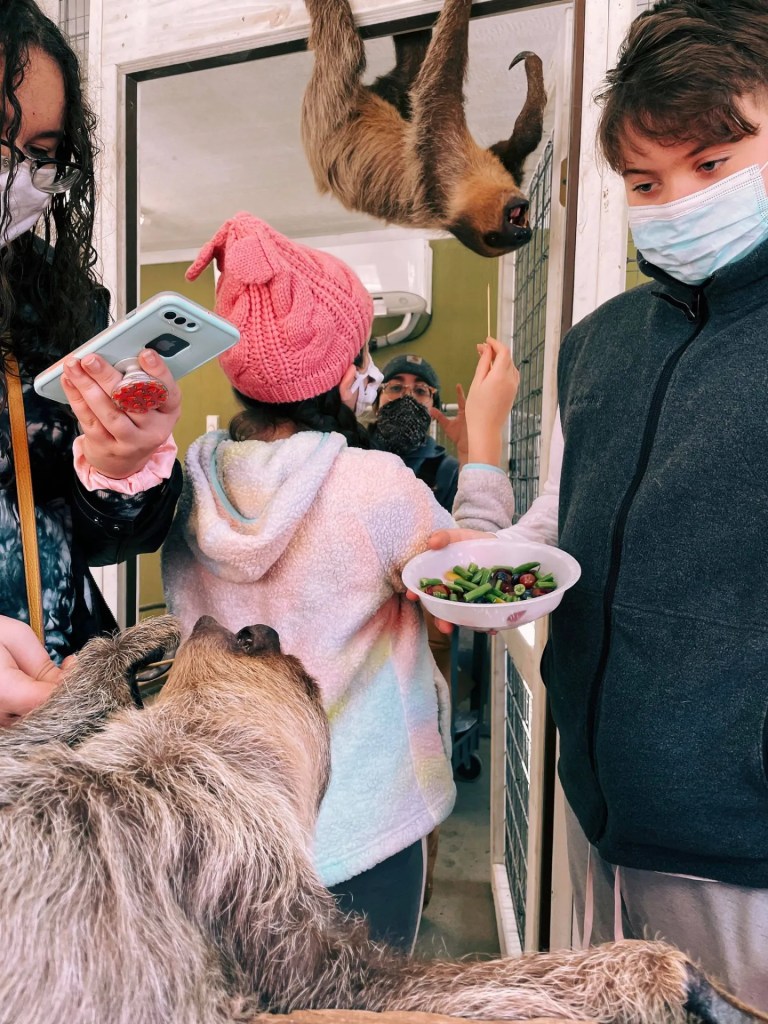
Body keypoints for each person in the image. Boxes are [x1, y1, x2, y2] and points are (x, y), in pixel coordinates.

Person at [424, 0, 768, 1006]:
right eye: (648, 182)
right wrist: (486, 566)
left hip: (746, 850)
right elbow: (556, 524)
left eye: (712, 165)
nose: (679, 202)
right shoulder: (599, 343)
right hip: (603, 809)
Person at [161, 212, 515, 952]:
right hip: (364, 830)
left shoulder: (185, 484)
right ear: (349, 371)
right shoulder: (377, 486)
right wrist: (482, 444)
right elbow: (480, 588)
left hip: (227, 835)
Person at [0, 0, 182, 719]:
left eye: (40, 154)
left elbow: (114, 543)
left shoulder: (65, 304)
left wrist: (120, 470)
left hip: (63, 704)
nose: (16, 177)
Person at [368, 353, 466, 512]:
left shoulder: (449, 473)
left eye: (420, 390)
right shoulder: (352, 452)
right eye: (395, 387)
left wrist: (470, 455)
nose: (407, 396)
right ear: (376, 404)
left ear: (435, 411)